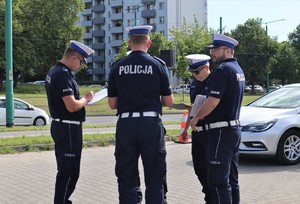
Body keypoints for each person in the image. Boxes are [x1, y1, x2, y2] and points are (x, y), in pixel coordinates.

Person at [107, 25, 173, 204]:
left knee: (126, 177)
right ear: (148, 43)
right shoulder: (158, 65)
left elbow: (112, 104)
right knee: (155, 177)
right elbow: (168, 102)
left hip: (126, 125)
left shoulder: (117, 66)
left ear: (129, 43)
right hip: (151, 125)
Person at [190, 33, 245, 204]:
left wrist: (196, 118)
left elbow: (212, 101)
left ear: (228, 51)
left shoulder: (222, 70)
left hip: (220, 131)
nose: (213, 53)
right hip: (232, 129)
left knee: (218, 181)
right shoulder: (238, 69)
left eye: (216, 49)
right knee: (231, 179)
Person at [45, 40, 95, 204]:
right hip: (68, 128)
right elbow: (72, 106)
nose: (80, 65)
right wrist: (86, 99)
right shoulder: (63, 75)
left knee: (66, 170)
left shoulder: (54, 71)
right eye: (81, 61)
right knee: (69, 172)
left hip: (62, 126)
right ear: (74, 57)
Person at [182, 54, 212, 203]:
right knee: (199, 167)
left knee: (212, 169)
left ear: (207, 68)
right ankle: (207, 193)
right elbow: (192, 109)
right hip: (197, 132)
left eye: (197, 72)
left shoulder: (215, 82)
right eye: (192, 72)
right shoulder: (194, 84)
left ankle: (212, 197)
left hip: (211, 131)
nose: (194, 75)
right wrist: (186, 129)